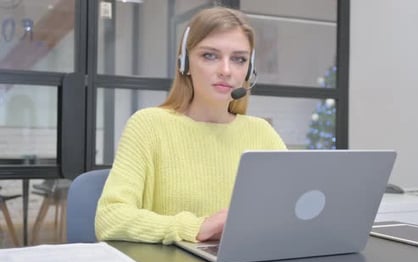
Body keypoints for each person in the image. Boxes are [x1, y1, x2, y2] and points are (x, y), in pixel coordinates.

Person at [95, 7, 286, 245]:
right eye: (210, 55)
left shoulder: (261, 133)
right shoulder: (148, 125)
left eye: (239, 59)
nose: (226, 71)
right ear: (185, 63)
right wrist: (196, 227)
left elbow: (290, 210)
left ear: (249, 68)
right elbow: (109, 218)